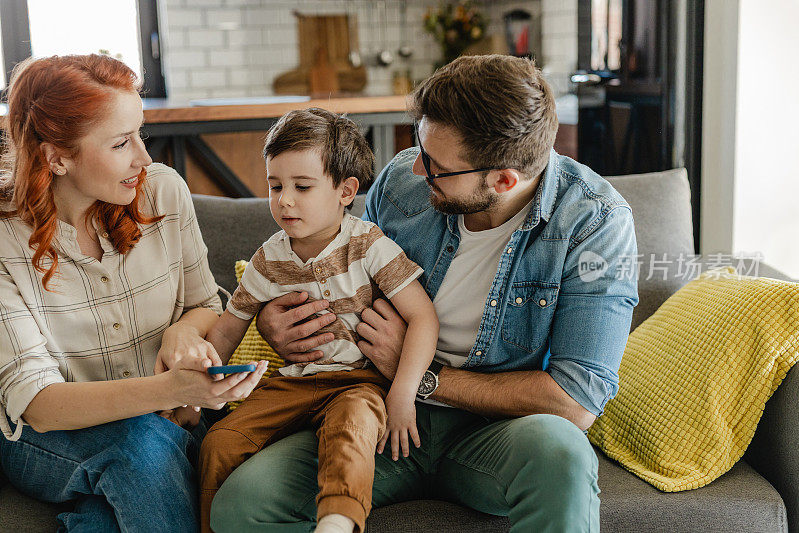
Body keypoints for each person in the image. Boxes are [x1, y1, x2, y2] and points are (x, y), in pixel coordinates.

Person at [213, 55, 639, 532]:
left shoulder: (593, 222)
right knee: (241, 505)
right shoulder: (402, 182)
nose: (416, 168)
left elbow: (574, 400)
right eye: (420, 146)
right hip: (370, 407)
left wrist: (420, 377)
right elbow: (338, 267)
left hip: (493, 433)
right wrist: (273, 319)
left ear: (503, 180)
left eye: (437, 167)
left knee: (562, 454)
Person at [0, 54, 267, 532]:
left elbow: (205, 302)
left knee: (115, 501)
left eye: (139, 134)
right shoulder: (5, 239)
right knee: (141, 442)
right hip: (41, 437)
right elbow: (38, 404)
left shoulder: (162, 191)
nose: (144, 157)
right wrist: (171, 391)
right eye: (122, 143)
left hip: (160, 418)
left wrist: (182, 333)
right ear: (56, 158)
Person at [199, 108, 438, 533]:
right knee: (219, 441)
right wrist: (192, 394)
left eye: (302, 187)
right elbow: (226, 329)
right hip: (292, 384)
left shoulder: (368, 245)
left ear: (345, 191)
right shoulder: (268, 259)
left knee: (351, 429)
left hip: (359, 382)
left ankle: (337, 524)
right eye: (275, 186)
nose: (284, 200)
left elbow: (422, 317)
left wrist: (402, 395)